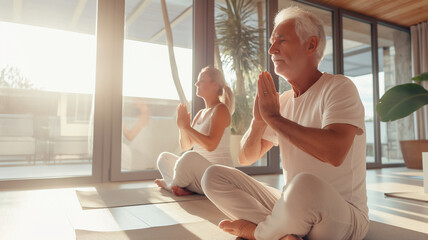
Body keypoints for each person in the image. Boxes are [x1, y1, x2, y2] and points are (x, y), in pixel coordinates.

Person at [201, 6, 369, 240]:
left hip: (342, 216)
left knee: (304, 185)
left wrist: (274, 118)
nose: (271, 49)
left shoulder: (339, 87)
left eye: (281, 40)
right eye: (271, 42)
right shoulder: (282, 102)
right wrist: (259, 121)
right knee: (213, 176)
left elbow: (335, 151)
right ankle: (283, 234)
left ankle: (259, 233)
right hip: (293, 205)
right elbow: (245, 157)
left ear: (311, 45)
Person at [155, 66, 235, 196]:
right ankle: (182, 186)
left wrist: (187, 127)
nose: (196, 83)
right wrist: (182, 127)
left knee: (189, 157)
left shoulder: (221, 109)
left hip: (218, 177)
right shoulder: (200, 113)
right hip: (200, 174)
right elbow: (186, 146)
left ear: (215, 85)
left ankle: (172, 184)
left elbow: (211, 145)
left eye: (201, 80)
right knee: (164, 157)